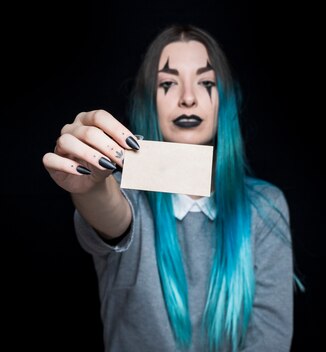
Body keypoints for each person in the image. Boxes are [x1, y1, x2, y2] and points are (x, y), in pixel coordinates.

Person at [42, 24, 296, 351]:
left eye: (205, 82)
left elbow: (270, 341)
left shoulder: (265, 206)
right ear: (150, 101)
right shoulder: (126, 193)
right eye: (168, 84)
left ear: (225, 101)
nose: (188, 98)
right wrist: (88, 189)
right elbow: (111, 212)